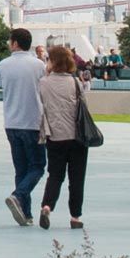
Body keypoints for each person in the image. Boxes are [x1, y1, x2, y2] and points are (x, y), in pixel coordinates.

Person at [29, 44, 91, 230]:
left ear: (53, 62)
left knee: (55, 175)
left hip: (55, 136)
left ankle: (47, 205)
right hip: (77, 137)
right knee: (77, 178)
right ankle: (75, 216)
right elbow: (84, 106)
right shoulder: (75, 83)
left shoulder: (43, 83)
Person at [0, 27, 47, 226]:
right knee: (37, 166)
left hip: (11, 121)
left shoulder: (3, 65)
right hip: (33, 121)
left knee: (21, 168)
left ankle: (25, 213)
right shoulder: (38, 66)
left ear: (15, 43)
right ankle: (18, 195)